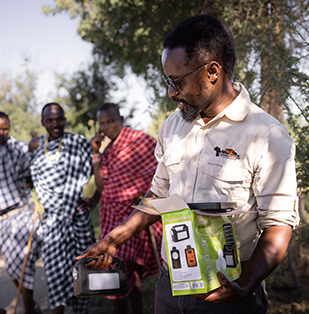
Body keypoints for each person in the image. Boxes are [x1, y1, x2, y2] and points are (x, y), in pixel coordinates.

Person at [76, 15, 299, 314]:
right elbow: (158, 195)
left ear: (212, 72)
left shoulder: (265, 134)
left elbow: (278, 224)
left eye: (177, 81)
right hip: (170, 286)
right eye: (167, 81)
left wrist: (244, 287)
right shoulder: (173, 126)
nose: (171, 92)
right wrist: (113, 239)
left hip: (229, 291)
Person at [81, 102, 162, 314]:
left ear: (121, 120)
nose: (107, 127)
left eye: (111, 121)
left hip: (135, 215)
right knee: (114, 269)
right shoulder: (106, 151)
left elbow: (161, 172)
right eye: (103, 123)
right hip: (112, 216)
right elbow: (101, 186)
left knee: (130, 270)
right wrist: (95, 153)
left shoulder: (140, 140)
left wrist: (143, 193)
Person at [28, 103, 95, 314]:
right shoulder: (36, 147)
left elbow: (94, 170)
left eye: (59, 119)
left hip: (78, 219)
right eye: (50, 120)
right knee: (56, 275)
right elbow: (31, 179)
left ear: (64, 120)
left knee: (83, 273)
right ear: (43, 122)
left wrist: (95, 199)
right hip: (52, 222)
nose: (55, 123)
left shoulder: (79, 142)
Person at [0, 112, 42, 314]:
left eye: (5, 128)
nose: (2, 132)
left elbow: (35, 170)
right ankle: (31, 303)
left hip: (22, 213)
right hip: (2, 219)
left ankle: (29, 309)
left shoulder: (18, 148)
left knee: (24, 266)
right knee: (12, 267)